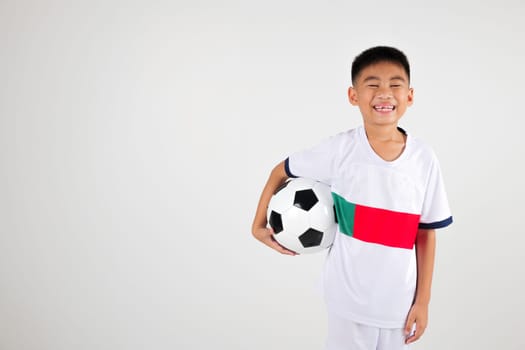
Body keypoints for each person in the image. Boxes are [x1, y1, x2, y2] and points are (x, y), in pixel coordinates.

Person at [251, 46, 453, 350]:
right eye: (372, 85)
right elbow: (281, 170)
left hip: (398, 306)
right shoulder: (340, 150)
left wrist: (422, 302)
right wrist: (257, 225)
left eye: (395, 85)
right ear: (353, 95)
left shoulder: (424, 158)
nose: (384, 93)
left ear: (409, 96)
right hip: (347, 303)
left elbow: (425, 233)